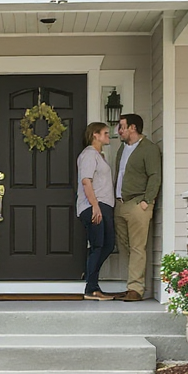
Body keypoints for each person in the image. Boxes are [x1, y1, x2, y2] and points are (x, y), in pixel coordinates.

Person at [112, 113, 162, 301]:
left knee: (138, 247)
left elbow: (155, 176)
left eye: (122, 126)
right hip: (120, 204)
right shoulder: (122, 150)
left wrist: (146, 201)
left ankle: (135, 289)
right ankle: (132, 283)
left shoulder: (149, 149)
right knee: (126, 247)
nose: (119, 130)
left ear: (133, 128)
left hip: (138, 204)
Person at [76, 121, 115, 301]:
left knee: (107, 245)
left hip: (103, 205)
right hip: (94, 206)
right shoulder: (89, 155)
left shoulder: (99, 155)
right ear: (95, 135)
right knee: (98, 246)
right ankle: (91, 289)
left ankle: (92, 283)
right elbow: (86, 181)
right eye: (105, 133)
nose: (108, 136)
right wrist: (95, 206)